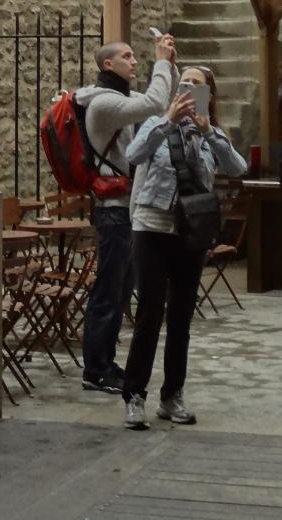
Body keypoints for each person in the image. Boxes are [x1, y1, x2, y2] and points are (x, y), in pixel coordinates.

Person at [121, 65, 246, 428]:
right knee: (149, 313)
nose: (188, 87)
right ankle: (134, 395)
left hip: (190, 233)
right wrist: (167, 121)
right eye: (184, 82)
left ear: (209, 95)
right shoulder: (156, 123)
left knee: (181, 318)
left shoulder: (210, 134)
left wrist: (208, 131)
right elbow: (134, 154)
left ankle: (172, 396)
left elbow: (237, 168)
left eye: (197, 84)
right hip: (152, 226)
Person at [75, 33, 177, 393]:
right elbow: (155, 102)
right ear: (108, 64)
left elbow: (163, 103)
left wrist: (169, 64)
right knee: (108, 291)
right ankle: (95, 369)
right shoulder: (103, 104)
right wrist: (160, 61)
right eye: (128, 57)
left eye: (135, 57)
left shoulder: (123, 98)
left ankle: (105, 362)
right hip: (113, 210)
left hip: (127, 210)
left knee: (121, 292)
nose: (134, 62)